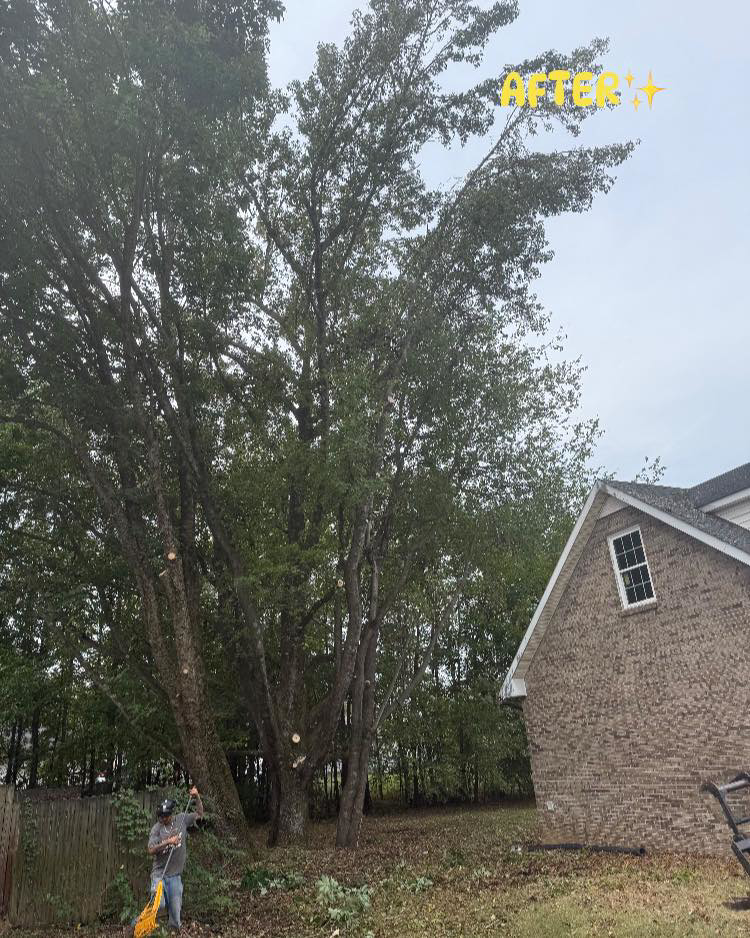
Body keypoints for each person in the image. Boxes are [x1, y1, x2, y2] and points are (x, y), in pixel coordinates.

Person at [126, 785, 204, 935]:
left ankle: (174, 931)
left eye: (165, 817)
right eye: (160, 816)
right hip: (159, 875)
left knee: (175, 911)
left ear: (171, 814)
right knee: (158, 904)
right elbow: (150, 850)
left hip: (175, 875)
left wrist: (197, 797)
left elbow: (200, 813)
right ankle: (135, 926)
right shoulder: (157, 829)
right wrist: (168, 842)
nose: (162, 819)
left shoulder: (182, 819)